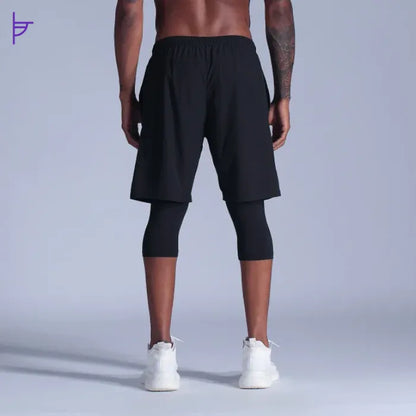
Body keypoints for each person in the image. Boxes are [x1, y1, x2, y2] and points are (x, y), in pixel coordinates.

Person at [114, 0, 295, 391]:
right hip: (238, 63)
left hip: (172, 62)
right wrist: (283, 95)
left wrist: (126, 95)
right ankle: (257, 354)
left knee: (165, 207)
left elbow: (129, 11)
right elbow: (279, 11)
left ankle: (161, 355)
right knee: (250, 208)